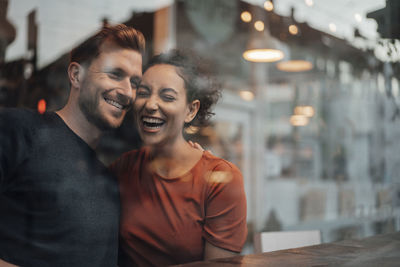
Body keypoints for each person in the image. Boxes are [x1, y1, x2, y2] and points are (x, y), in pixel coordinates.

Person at [0, 24, 145, 267]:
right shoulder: (18, 130)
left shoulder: (107, 180)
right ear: (76, 75)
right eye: (115, 74)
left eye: (135, 82)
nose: (127, 92)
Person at [110, 50, 247, 266]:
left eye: (167, 97)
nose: (150, 104)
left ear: (191, 110)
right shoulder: (123, 168)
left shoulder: (219, 179)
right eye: (144, 93)